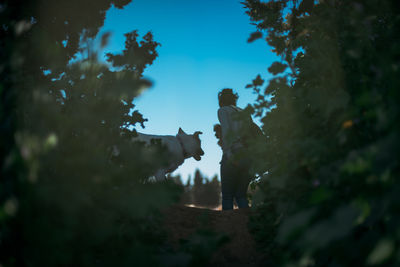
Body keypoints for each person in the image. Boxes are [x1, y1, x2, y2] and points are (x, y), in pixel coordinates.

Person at [215, 88, 252, 210]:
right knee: (241, 195)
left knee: (227, 196)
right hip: (248, 155)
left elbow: (226, 132)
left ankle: (226, 228)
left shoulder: (223, 111)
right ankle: (250, 225)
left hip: (233, 153)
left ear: (221, 99)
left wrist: (228, 154)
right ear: (234, 98)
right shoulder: (243, 113)